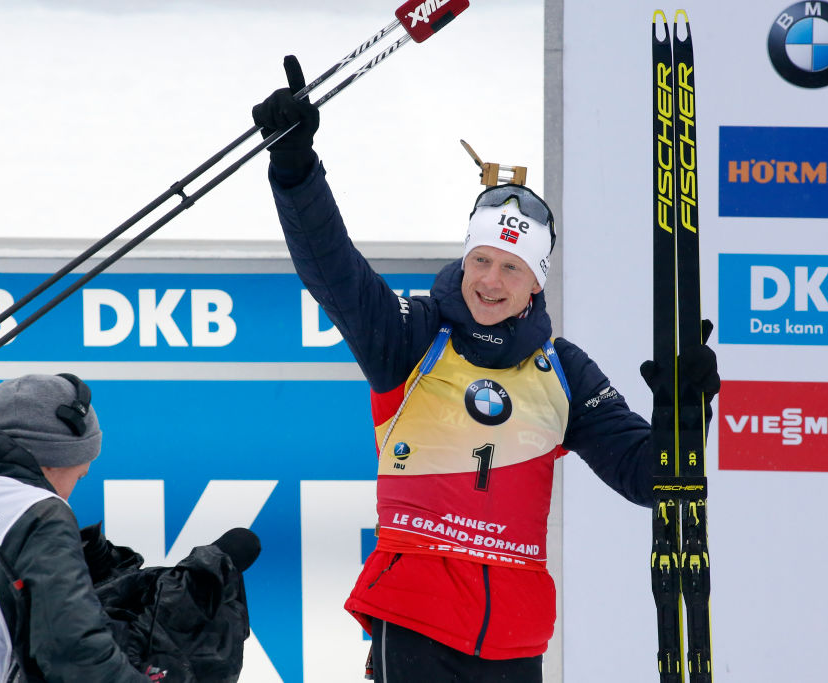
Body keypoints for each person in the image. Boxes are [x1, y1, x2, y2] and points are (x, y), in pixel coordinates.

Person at [253, 57, 720, 682]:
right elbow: (332, 270)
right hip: (414, 618)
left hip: (513, 638)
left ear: (537, 284)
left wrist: (685, 414)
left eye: (511, 267)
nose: (490, 281)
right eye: (481, 261)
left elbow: (648, 478)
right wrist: (296, 169)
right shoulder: (408, 336)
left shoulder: (564, 372)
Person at [0, 373, 256, 682]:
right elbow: (74, 656)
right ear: (55, 459)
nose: (70, 494)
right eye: (79, 474)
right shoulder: (35, 512)